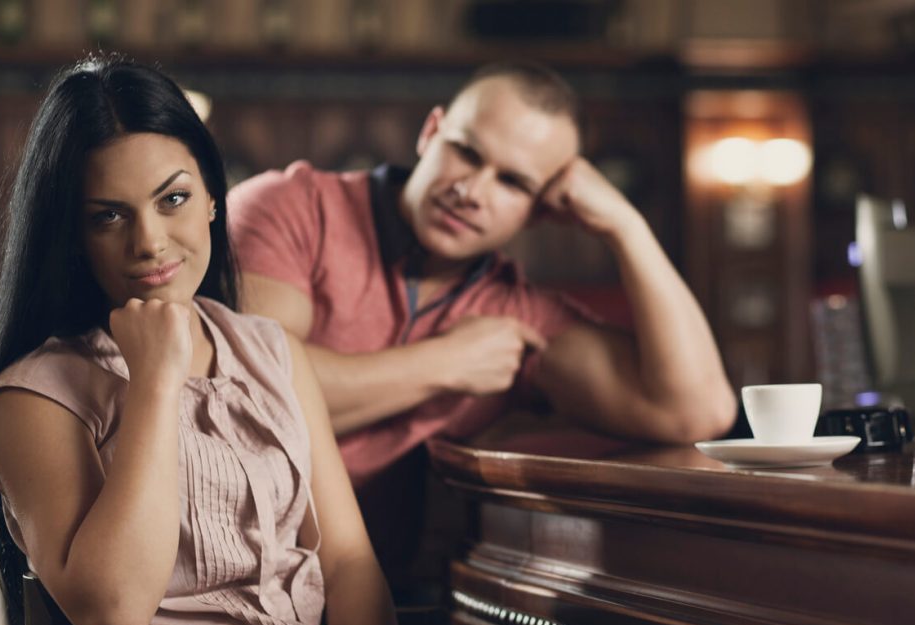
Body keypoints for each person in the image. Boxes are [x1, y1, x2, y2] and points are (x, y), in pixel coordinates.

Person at [0, 56, 402, 625]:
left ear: (213, 198)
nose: (150, 242)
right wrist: (157, 382)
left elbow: (349, 561)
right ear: (72, 235)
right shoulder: (32, 399)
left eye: (174, 199)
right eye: (108, 215)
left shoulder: (272, 353)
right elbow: (114, 616)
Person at [227, 62, 737, 585]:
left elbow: (695, 411)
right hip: (224, 575)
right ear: (431, 132)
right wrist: (448, 363)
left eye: (513, 182)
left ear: (540, 210)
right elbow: (256, 394)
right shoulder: (288, 206)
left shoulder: (512, 310)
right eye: (466, 152)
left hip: (374, 595)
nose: (472, 190)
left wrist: (627, 227)